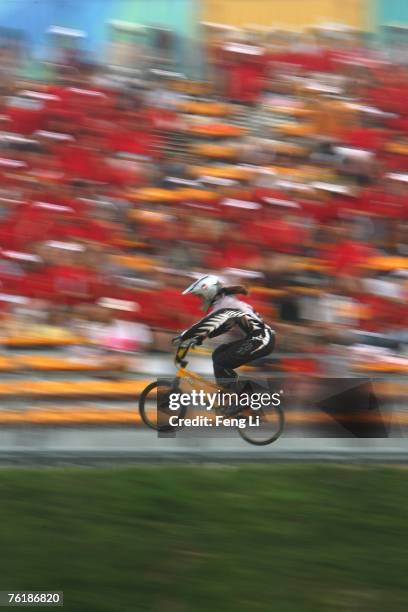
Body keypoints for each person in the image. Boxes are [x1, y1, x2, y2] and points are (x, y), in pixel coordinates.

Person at [173, 275, 275, 390]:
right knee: (218, 353)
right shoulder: (224, 302)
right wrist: (200, 338)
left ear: (209, 292)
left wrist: (184, 336)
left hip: (260, 339)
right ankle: (232, 394)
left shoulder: (226, 303)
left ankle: (243, 393)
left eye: (201, 295)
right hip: (259, 338)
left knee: (221, 361)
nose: (201, 299)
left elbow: (206, 324)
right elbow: (225, 326)